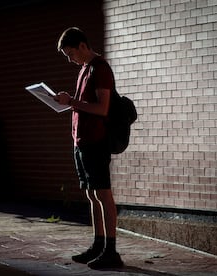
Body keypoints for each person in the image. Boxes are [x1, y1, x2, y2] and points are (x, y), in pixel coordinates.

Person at [54, 27, 124, 269]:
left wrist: (71, 102)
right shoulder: (84, 69)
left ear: (83, 45)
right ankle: (98, 243)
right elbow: (82, 104)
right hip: (81, 141)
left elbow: (102, 108)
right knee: (91, 193)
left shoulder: (100, 68)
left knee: (103, 193)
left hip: (96, 140)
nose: (70, 58)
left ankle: (111, 251)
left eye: (71, 53)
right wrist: (68, 101)